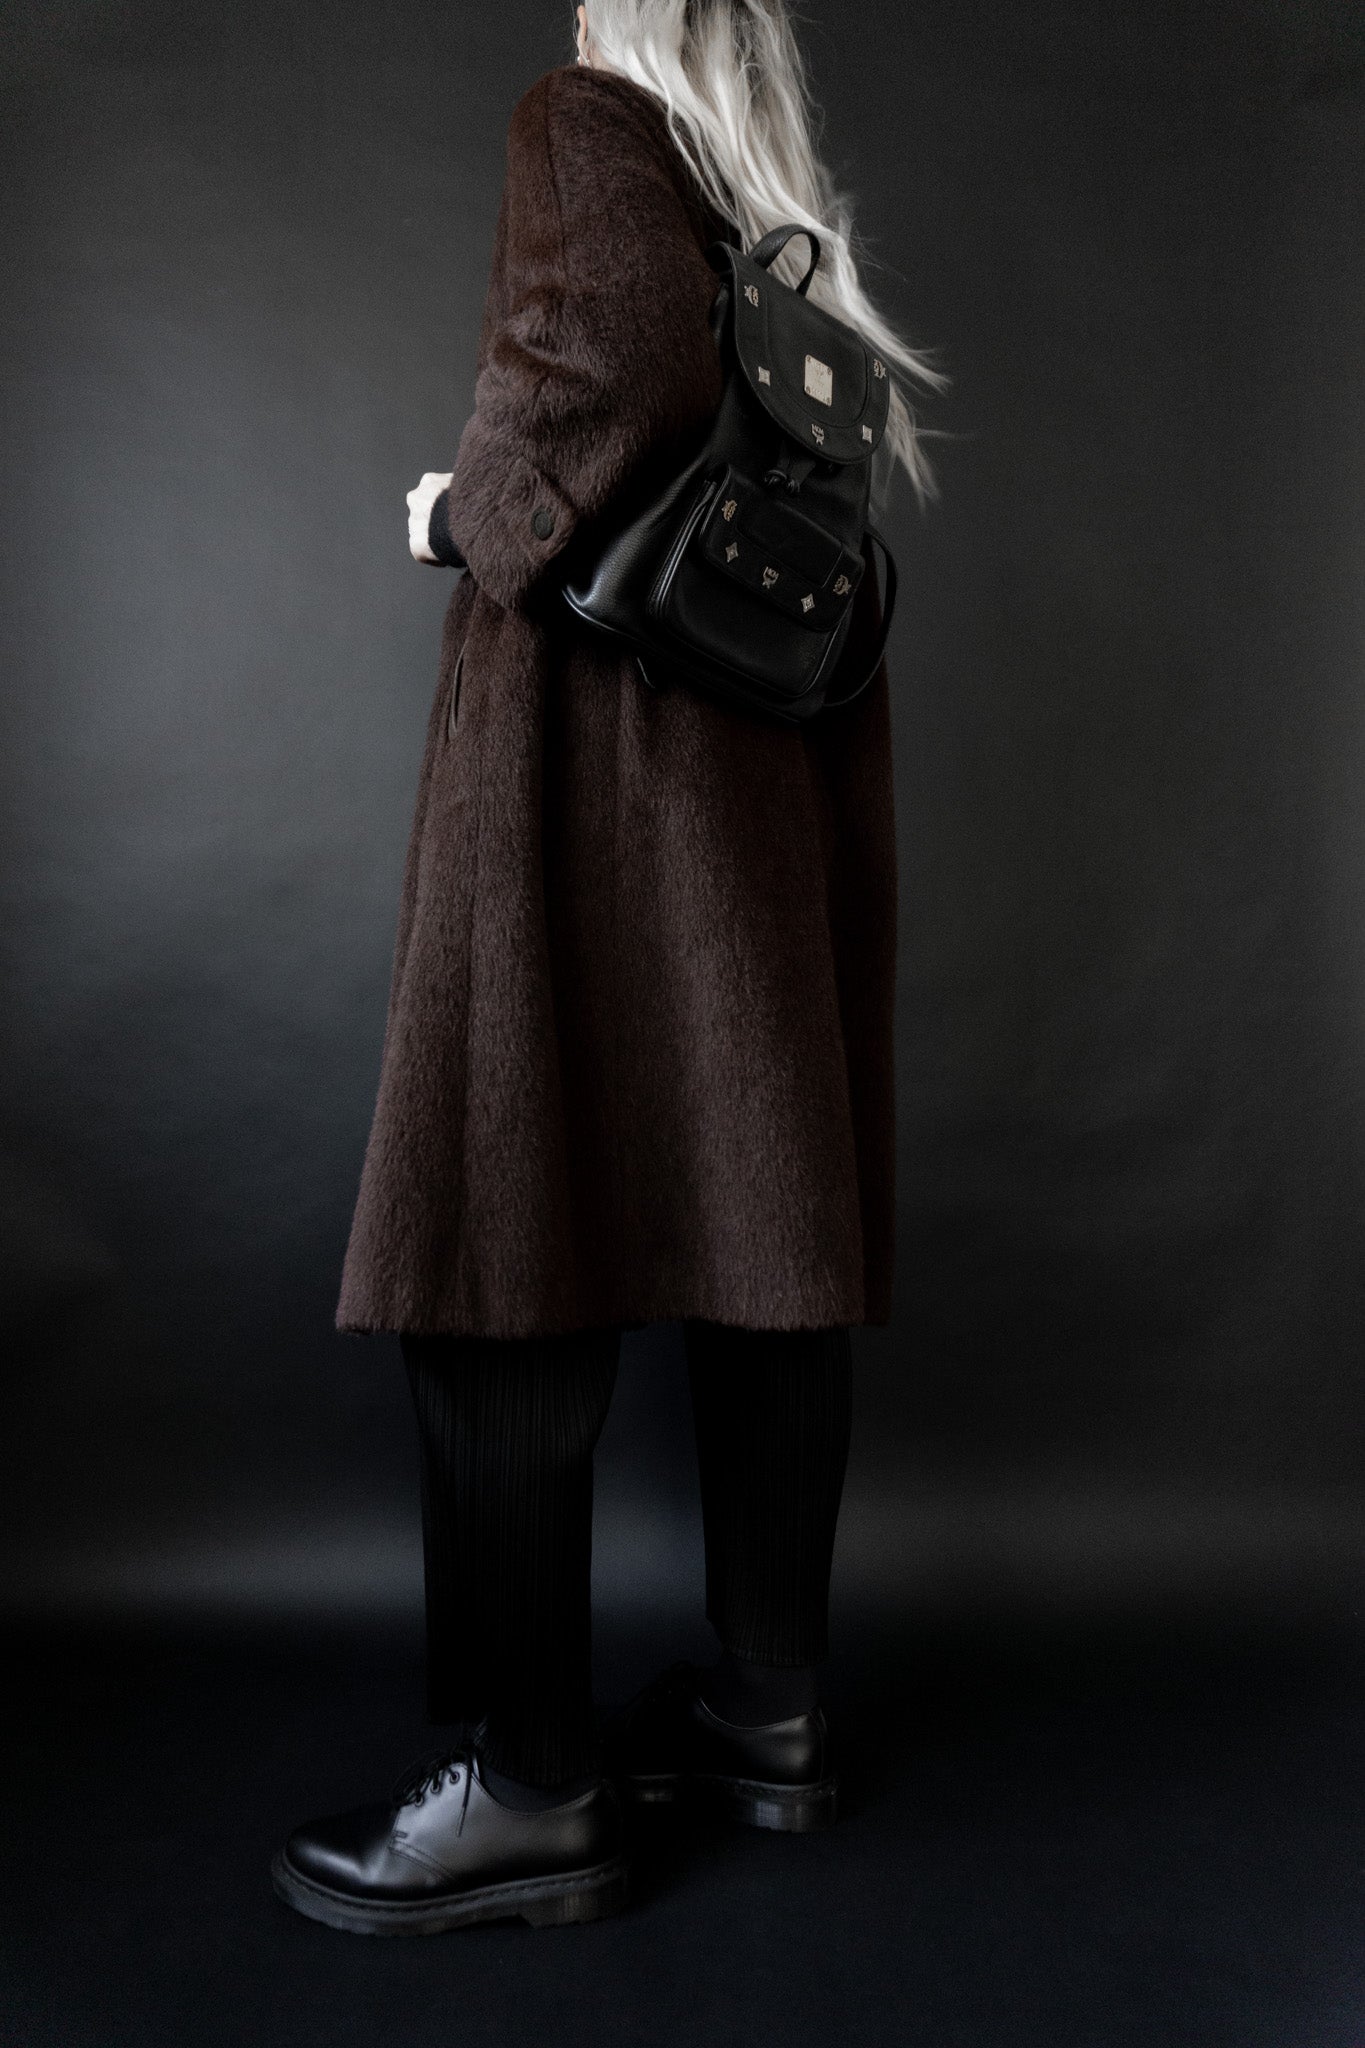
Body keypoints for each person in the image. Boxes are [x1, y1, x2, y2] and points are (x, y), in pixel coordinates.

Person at [272, 0, 946, 1935]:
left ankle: (532, 1787)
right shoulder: (764, 198)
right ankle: (765, 1716)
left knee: (499, 1226)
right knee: (764, 1223)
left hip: (591, 784)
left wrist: (456, 514)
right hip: (752, 783)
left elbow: (602, 376)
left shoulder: (581, 120)